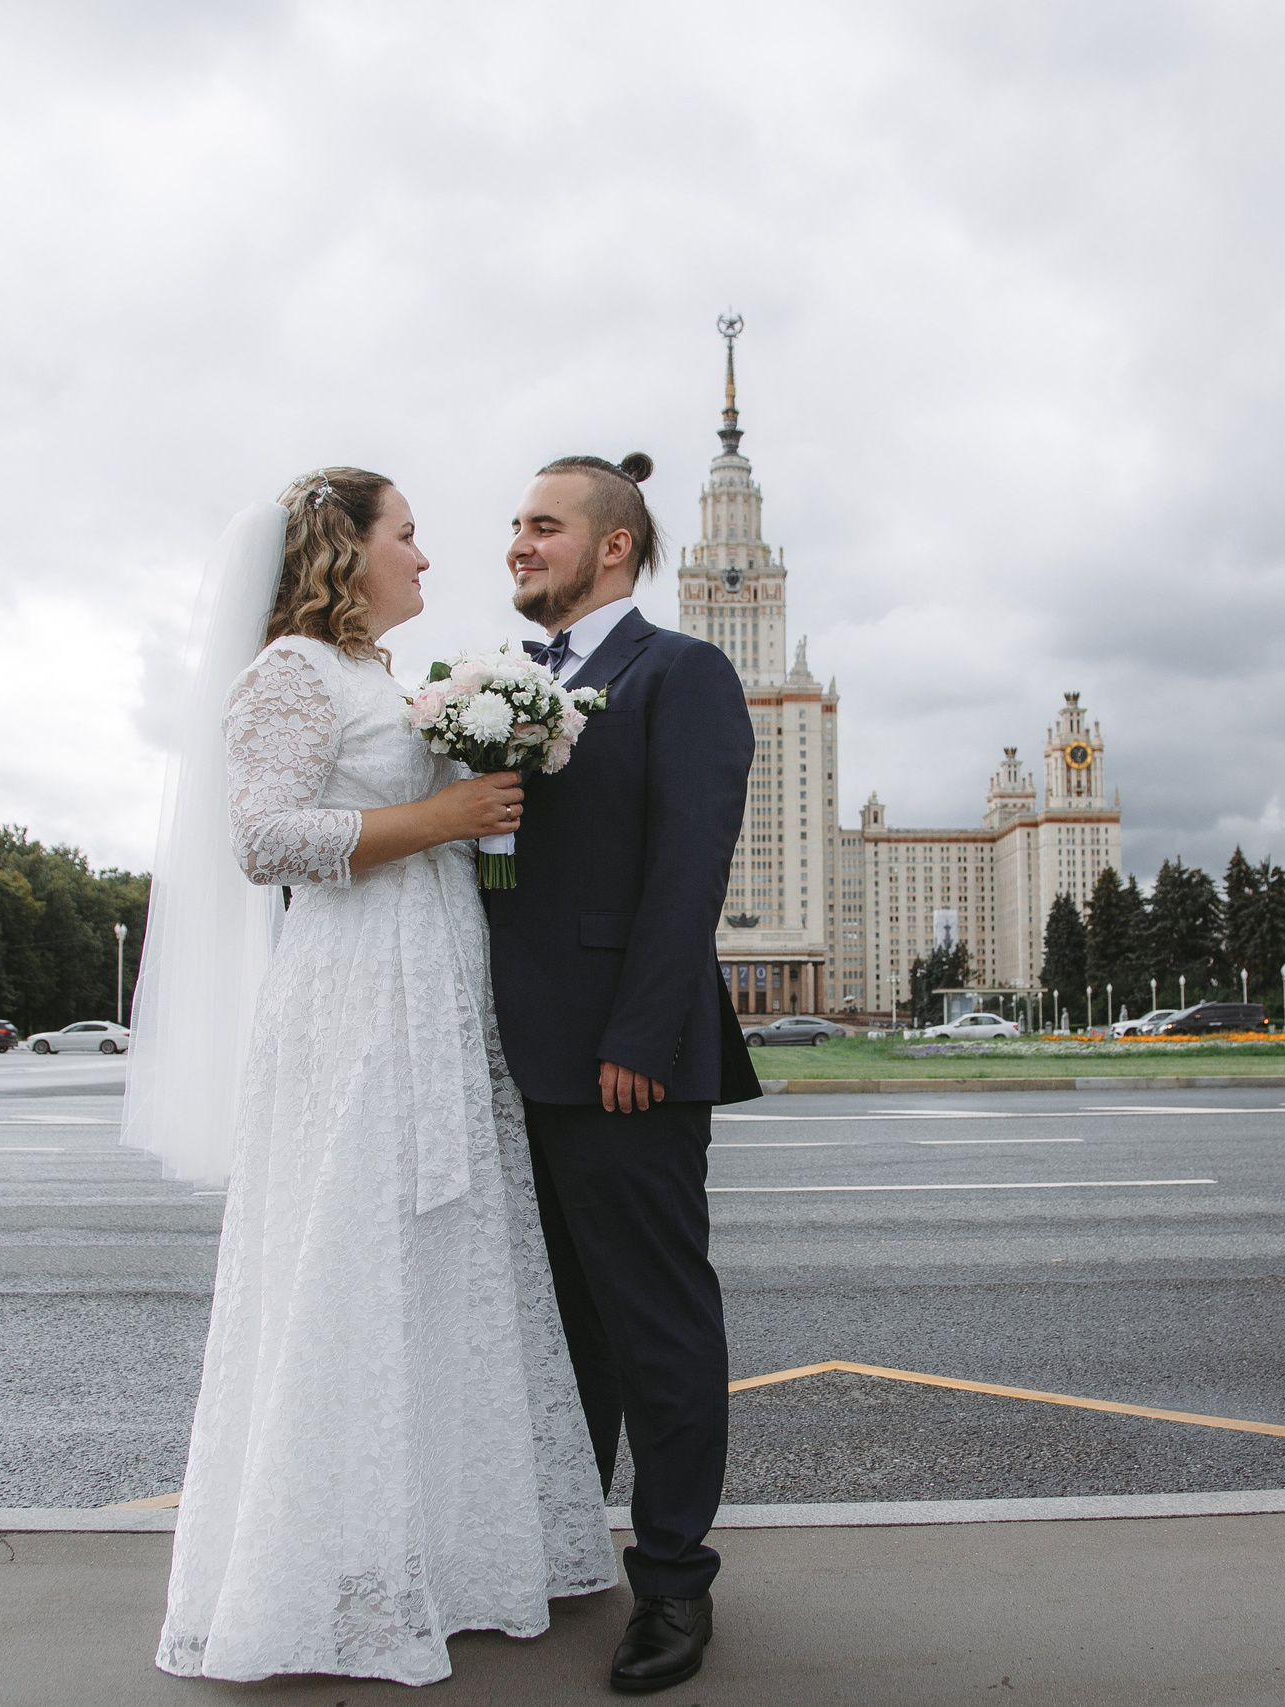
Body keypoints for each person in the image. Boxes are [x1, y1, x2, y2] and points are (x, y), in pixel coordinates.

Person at [128, 469, 614, 1687]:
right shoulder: (290, 671)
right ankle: (321, 1575)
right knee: (351, 1255)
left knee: (430, 1263)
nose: (426, 559)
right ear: (343, 549)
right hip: (352, 1002)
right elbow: (264, 838)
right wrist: (445, 818)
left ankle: (429, 1554)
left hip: (430, 985)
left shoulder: (377, 678)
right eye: (407, 536)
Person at [485, 453, 760, 1695]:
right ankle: (561, 1548)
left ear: (613, 546)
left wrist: (640, 1038)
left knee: (651, 1325)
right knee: (555, 1329)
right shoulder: (496, 684)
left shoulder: (679, 672)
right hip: (503, 1062)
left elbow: (686, 868)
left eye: (542, 526)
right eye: (512, 526)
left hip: (621, 1062)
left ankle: (673, 1587)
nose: (516, 545)